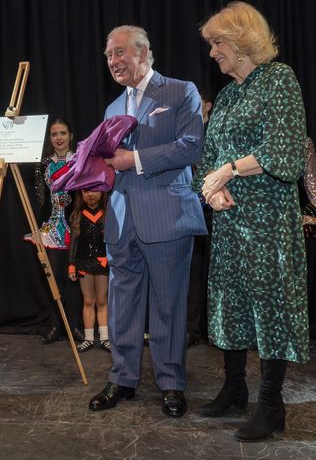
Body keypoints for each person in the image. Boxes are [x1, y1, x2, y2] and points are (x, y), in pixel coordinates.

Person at [193, 1, 309, 442]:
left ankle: (272, 405)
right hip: (229, 225)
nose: (212, 53)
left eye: (217, 43)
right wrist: (210, 186)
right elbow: (208, 158)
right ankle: (234, 389)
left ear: (241, 43)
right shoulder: (226, 95)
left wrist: (230, 171)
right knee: (230, 304)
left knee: (270, 307)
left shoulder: (279, 81)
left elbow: (285, 151)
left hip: (267, 223)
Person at [88, 25, 207, 418]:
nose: (113, 61)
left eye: (119, 52)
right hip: (121, 220)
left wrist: (134, 160)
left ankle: (171, 383)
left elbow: (191, 147)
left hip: (167, 216)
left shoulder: (179, 90)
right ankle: (122, 377)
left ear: (143, 53)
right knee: (122, 304)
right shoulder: (111, 108)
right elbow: (110, 162)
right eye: (108, 56)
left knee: (168, 305)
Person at [24, 118, 84, 344]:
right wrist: (40, 228)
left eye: (62, 133)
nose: (58, 138)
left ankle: (75, 326)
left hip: (75, 228)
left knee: (74, 278)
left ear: (70, 136)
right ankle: (56, 324)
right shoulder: (42, 164)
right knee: (53, 278)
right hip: (51, 228)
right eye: (54, 134)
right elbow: (40, 199)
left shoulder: (78, 161)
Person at [186, 90, 213, 347]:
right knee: (192, 272)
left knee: (216, 272)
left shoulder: (216, 131)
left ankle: (215, 328)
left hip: (215, 211)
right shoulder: (184, 134)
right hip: (191, 210)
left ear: (207, 105)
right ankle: (191, 329)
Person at [68, 189, 110, 353]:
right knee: (88, 301)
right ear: (81, 194)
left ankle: (105, 338)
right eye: (85, 191)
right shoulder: (78, 215)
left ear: (102, 192)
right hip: (83, 263)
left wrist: (109, 258)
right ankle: (89, 338)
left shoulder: (106, 213)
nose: (89, 194)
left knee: (101, 300)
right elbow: (73, 243)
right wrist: (71, 264)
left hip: (102, 262)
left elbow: (112, 240)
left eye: (93, 190)